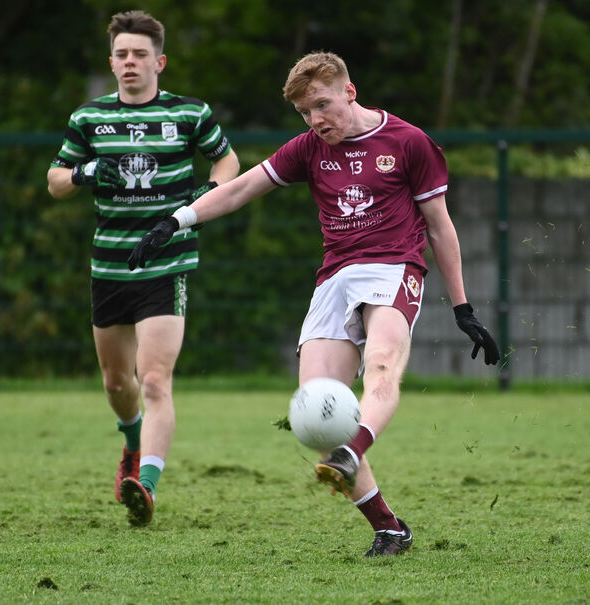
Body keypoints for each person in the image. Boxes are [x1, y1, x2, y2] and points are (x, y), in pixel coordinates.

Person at [129, 51, 499, 554]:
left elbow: (440, 227)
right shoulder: (308, 149)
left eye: (322, 106)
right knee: (318, 415)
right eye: (305, 113)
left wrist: (463, 308)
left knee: (383, 363)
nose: (316, 120)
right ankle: (389, 527)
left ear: (349, 91)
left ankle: (356, 449)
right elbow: (239, 190)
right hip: (335, 278)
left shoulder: (410, 143)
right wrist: (177, 221)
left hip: (394, 269)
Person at [46, 10, 239, 526]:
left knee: (154, 380)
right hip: (109, 265)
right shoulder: (89, 118)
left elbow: (227, 163)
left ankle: (146, 485)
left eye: (140, 54)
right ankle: (131, 443)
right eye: (122, 55)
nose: (130, 62)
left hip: (166, 261)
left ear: (160, 61)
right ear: (112, 62)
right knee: (116, 383)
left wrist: (201, 198)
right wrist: (85, 171)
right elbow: (55, 180)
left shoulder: (189, 113)